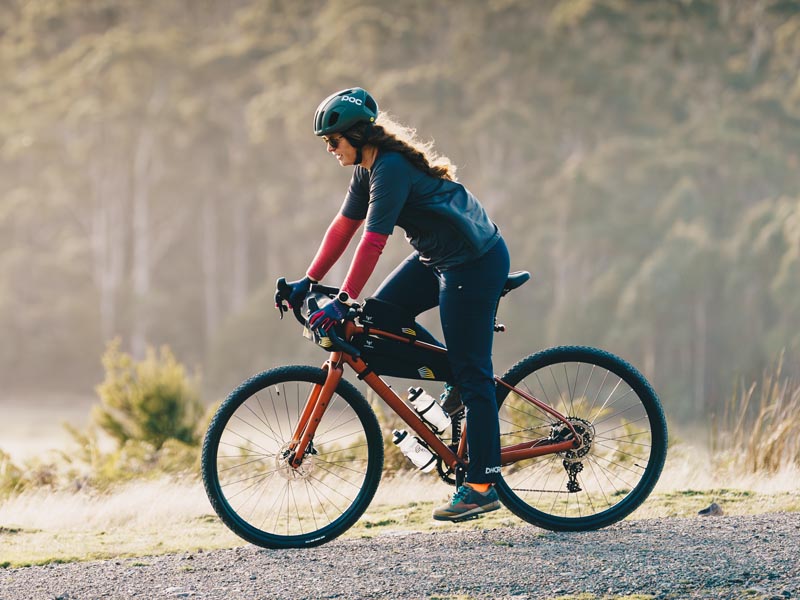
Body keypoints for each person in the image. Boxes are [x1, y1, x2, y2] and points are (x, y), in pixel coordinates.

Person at [280, 87, 510, 522]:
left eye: (333, 141)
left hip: (473, 264)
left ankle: (481, 485)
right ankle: (454, 379)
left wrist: (344, 299)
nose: (329, 149)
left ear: (358, 135)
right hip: (436, 258)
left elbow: (373, 241)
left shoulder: (391, 169)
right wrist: (307, 282)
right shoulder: (366, 170)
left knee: (475, 373)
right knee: (380, 317)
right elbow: (343, 227)